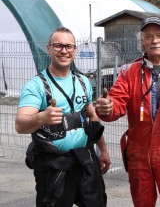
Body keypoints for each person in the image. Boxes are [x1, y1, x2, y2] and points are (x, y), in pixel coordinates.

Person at [95, 16, 160, 207]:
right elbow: (116, 102)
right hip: (139, 156)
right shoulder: (129, 72)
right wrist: (107, 108)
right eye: (148, 36)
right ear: (141, 41)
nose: (155, 41)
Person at [15, 27, 111, 207]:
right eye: (58, 46)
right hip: (54, 165)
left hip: (85, 160)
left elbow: (92, 117)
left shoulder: (83, 82)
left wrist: (103, 150)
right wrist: (42, 117)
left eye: (69, 46)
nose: (64, 51)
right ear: (49, 48)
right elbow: (20, 125)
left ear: (74, 50)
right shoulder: (36, 86)